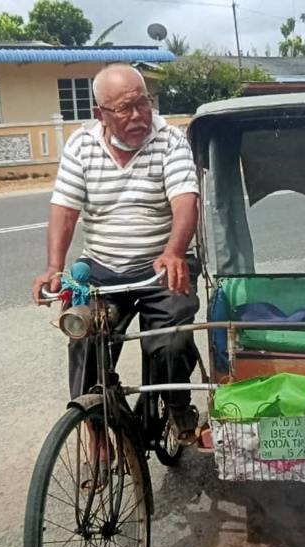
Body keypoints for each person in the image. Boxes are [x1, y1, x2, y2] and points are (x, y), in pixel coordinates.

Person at [32, 64, 202, 459]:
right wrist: (54, 266)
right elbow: (65, 209)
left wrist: (175, 250)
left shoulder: (170, 141)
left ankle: (177, 405)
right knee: (84, 337)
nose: (139, 115)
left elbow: (185, 204)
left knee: (173, 341)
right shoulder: (81, 146)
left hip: (163, 267)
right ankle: (94, 430)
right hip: (104, 269)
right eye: (125, 109)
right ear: (100, 115)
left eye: (143, 103)